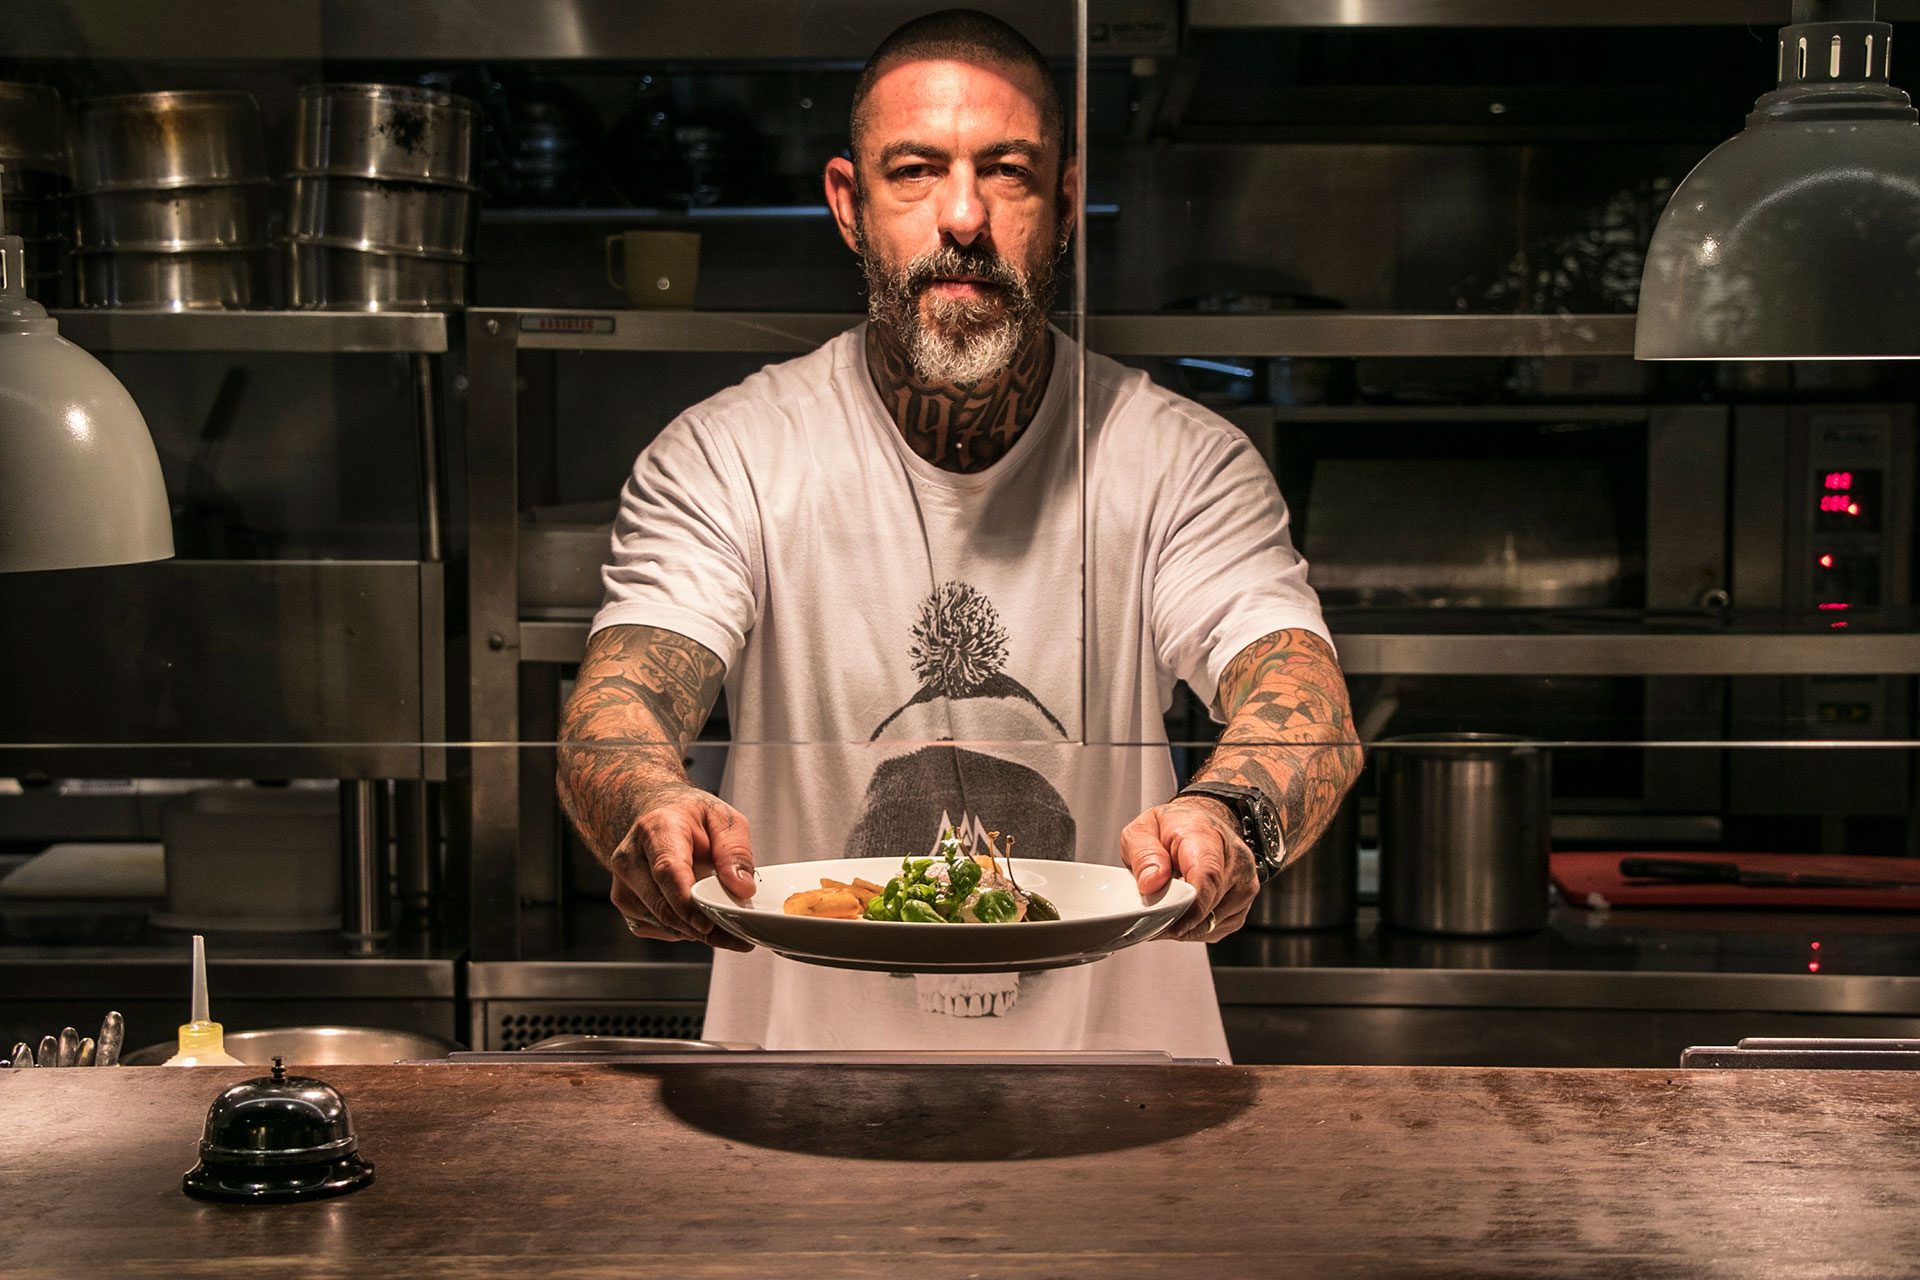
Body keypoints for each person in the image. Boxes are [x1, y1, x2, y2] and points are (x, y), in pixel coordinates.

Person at [558, 9, 1361, 1058]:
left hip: (1126, 1117)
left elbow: (1299, 695)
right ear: (850, 204)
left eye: (1009, 171)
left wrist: (1229, 814)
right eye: (916, 170)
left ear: (1066, 202)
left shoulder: (1180, 462)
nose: (965, 214)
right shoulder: (730, 456)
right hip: (802, 1124)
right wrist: (651, 799)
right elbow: (618, 700)